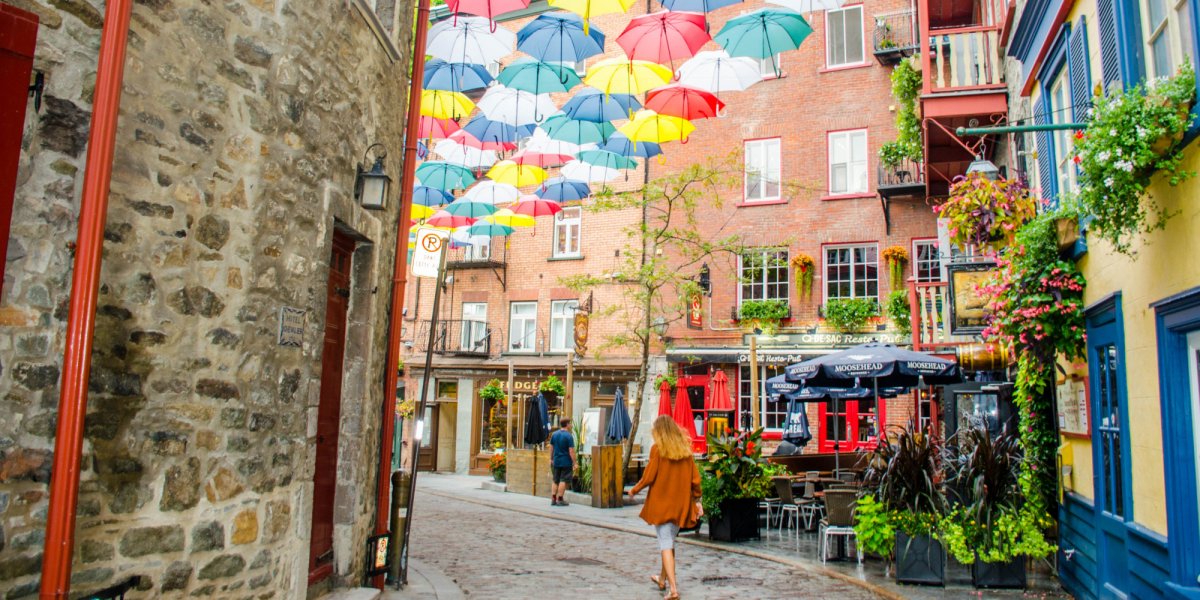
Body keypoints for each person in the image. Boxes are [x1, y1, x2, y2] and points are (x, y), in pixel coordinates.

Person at [628, 415, 701, 600]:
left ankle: (674, 589)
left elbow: (649, 476)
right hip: (680, 505)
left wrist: (634, 490)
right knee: (668, 541)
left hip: (662, 504)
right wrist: (697, 500)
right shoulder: (685, 451)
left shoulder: (658, 450)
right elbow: (695, 480)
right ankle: (662, 579)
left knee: (665, 544)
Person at [549, 417, 576, 506]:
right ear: (567, 424)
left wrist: (551, 458)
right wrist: (574, 462)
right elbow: (571, 450)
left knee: (555, 480)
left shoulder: (554, 434)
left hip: (556, 461)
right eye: (570, 423)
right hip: (566, 462)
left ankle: (553, 499)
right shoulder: (569, 436)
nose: (570, 425)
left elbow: (551, 447)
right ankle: (560, 499)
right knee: (563, 480)